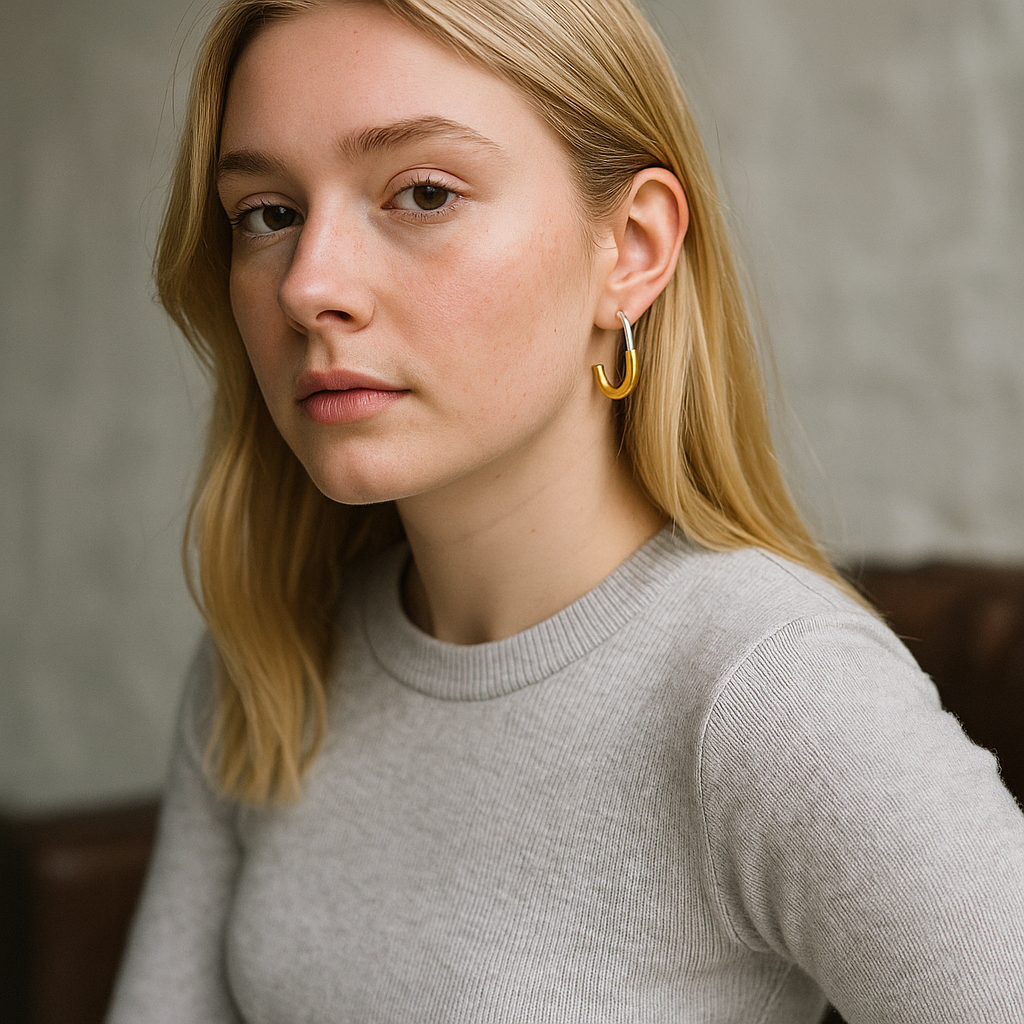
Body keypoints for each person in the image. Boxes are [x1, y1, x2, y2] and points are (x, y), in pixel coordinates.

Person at [107, 0, 1024, 1020]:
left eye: (420, 192)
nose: (309, 285)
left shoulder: (771, 687)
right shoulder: (271, 660)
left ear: (630, 249)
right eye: (267, 214)